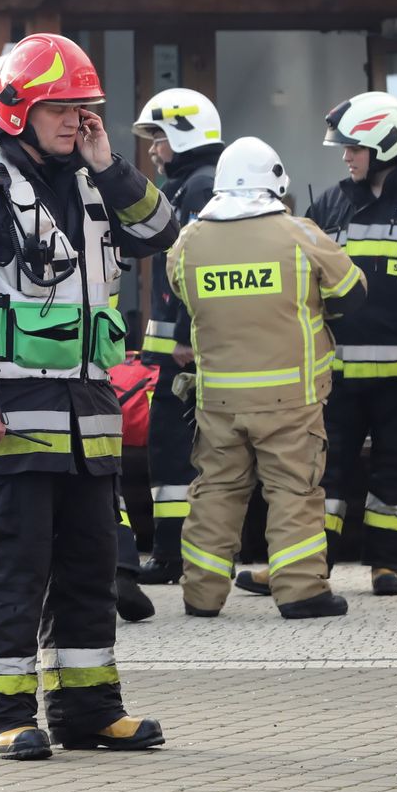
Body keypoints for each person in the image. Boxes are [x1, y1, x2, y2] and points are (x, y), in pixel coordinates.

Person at [0, 33, 177, 760]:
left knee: (90, 567)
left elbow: (163, 230)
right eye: (61, 109)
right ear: (17, 110)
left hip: (90, 419)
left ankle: (90, 709)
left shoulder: (91, 178)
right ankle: (4, 714)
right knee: (12, 567)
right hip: (10, 414)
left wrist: (110, 164)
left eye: (84, 110)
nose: (76, 122)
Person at [233, 92, 397, 600]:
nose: (345, 157)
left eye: (352, 147)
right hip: (336, 371)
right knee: (323, 472)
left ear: (383, 145)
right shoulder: (333, 201)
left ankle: (389, 566)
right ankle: (304, 565)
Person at [170, 136, 366, 620]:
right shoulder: (299, 234)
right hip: (290, 400)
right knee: (293, 492)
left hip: (217, 401)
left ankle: (201, 594)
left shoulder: (191, 240)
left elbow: (180, 290)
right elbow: (352, 290)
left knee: (215, 492)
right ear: (275, 182)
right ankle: (301, 592)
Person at [131, 88, 226, 586]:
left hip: (188, 355)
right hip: (187, 350)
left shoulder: (198, 187)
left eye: (160, 138)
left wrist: (186, 334)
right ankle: (177, 555)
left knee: (172, 449)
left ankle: (172, 557)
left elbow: (195, 267)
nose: (153, 150)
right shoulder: (199, 183)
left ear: (186, 136)